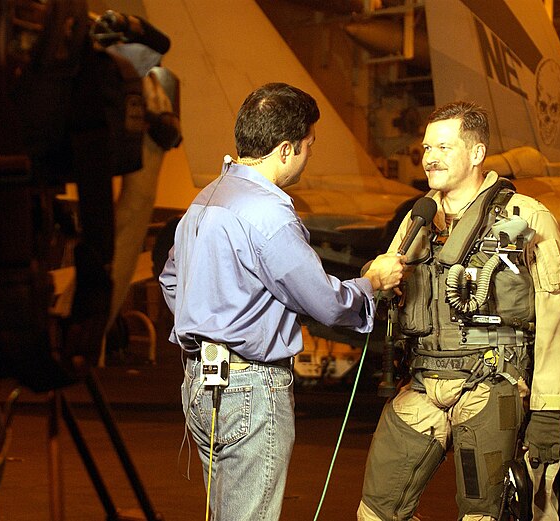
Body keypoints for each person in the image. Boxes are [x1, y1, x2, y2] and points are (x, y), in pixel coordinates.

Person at [158, 82, 406, 521]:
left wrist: (212, 322)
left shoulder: (204, 200)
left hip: (199, 383)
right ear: (287, 149)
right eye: (309, 145)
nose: (310, 155)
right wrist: (370, 283)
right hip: (250, 389)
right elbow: (325, 303)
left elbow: (171, 281)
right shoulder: (268, 213)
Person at [358, 101, 560, 521]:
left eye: (443, 146)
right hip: (423, 381)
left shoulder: (526, 217)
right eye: (425, 148)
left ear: (476, 153)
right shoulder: (419, 217)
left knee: (481, 514)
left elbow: (556, 315)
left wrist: (549, 410)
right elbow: (389, 275)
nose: (430, 158)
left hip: (490, 382)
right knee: (377, 509)